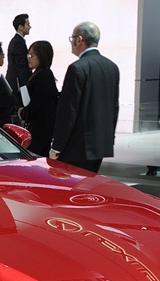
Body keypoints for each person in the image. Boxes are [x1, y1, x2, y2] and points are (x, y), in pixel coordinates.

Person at [49, 22, 119, 173]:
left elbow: (68, 111)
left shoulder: (77, 68)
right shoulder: (112, 67)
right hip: (101, 145)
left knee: (73, 186)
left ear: (79, 39)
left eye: (72, 38)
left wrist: (57, 146)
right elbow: (114, 108)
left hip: (77, 147)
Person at [19, 40, 59, 157]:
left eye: (32, 55)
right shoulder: (39, 74)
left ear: (42, 56)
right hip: (39, 127)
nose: (29, 58)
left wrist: (23, 112)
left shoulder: (44, 75)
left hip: (41, 130)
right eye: (28, 55)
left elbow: (36, 103)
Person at [6, 13, 31, 103]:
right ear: (20, 27)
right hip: (17, 85)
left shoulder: (16, 41)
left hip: (15, 83)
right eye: (28, 24)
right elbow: (21, 67)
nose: (30, 27)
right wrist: (27, 86)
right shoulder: (18, 42)